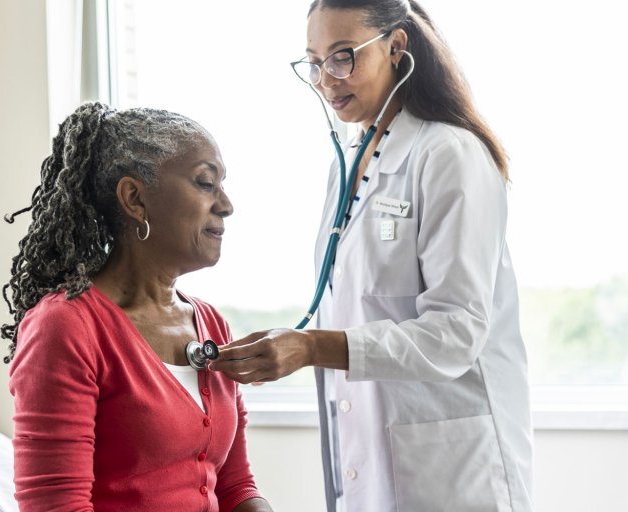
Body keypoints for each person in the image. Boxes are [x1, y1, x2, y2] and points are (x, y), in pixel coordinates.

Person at [210, 1, 533, 510]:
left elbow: (457, 332)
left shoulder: (448, 153)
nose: (326, 80)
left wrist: (311, 347)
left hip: (451, 469)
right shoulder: (348, 161)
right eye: (314, 62)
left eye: (343, 56)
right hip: (369, 451)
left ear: (396, 47)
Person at [1, 103, 273, 512]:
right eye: (205, 183)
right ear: (134, 198)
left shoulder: (211, 324)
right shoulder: (66, 326)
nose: (226, 205)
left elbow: (235, 486)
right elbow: (57, 506)